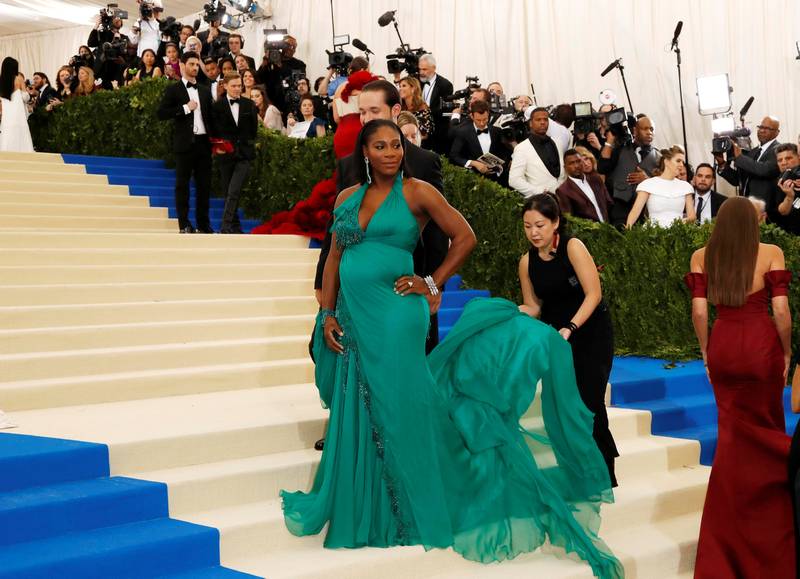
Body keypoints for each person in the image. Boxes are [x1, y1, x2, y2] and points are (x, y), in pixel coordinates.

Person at [282, 118, 622, 579]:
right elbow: (335, 259)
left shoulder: (419, 192)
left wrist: (430, 281)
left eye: (396, 146)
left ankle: (411, 499)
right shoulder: (347, 199)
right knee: (356, 400)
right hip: (354, 313)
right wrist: (326, 313)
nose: (390, 153)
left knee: (401, 400)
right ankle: (364, 498)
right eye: (380, 146)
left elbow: (465, 238)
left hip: (399, 312)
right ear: (364, 152)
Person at [685, 196, 794, 578]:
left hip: (725, 343)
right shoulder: (770, 252)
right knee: (767, 428)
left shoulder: (702, 255)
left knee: (731, 437)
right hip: (760, 343)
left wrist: (706, 351)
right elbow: (780, 310)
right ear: (754, 222)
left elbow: (700, 311)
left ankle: (726, 540)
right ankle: (770, 525)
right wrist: (786, 351)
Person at [519, 192, 618, 484]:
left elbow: (594, 294)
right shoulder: (526, 262)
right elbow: (534, 306)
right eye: (527, 226)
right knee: (561, 405)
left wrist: (571, 327)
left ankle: (603, 472)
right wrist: (510, 316)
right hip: (557, 341)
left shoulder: (573, 247)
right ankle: (576, 470)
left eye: (539, 225)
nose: (534, 232)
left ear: (555, 223)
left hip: (590, 333)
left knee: (588, 401)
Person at [156, 51, 215, 234]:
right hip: (184, 144)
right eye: (191, 64)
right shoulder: (174, 89)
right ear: (182, 65)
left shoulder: (205, 91)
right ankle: (184, 224)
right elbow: (161, 113)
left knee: (204, 186)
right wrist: (184, 108)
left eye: (197, 65)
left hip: (204, 143)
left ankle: (203, 225)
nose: (195, 68)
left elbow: (212, 117)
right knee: (182, 185)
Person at [211, 72, 258, 234]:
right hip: (225, 155)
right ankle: (236, 227)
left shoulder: (249, 105)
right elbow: (214, 130)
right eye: (234, 86)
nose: (238, 89)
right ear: (225, 86)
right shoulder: (217, 106)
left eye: (240, 86)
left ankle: (225, 227)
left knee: (234, 191)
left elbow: (253, 131)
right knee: (227, 192)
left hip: (244, 154)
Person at [598, 114, 660, 226]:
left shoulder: (659, 157)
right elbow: (602, 168)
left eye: (652, 129)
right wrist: (609, 142)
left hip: (648, 213)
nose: (649, 132)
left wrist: (648, 179)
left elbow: (665, 185)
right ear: (635, 131)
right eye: (645, 129)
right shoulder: (619, 150)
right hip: (620, 211)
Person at [715, 116, 781, 211]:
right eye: (760, 127)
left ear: (777, 132)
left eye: (767, 128)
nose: (761, 131)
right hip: (747, 207)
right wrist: (722, 164)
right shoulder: (752, 152)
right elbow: (738, 180)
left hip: (767, 210)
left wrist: (739, 158)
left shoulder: (779, 150)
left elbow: (765, 170)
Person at [626, 145, 695, 228]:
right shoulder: (648, 184)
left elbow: (692, 216)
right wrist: (628, 230)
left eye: (682, 162)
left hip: (677, 234)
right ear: (667, 162)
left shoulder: (686, 187)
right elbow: (635, 211)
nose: (681, 165)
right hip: (652, 234)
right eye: (678, 161)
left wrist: (677, 224)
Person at [448, 99, 510, 186]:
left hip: (496, 181)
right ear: (472, 116)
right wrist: (474, 163)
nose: (481, 123)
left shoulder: (496, 131)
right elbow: (454, 156)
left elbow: (505, 153)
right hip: (472, 180)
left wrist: (499, 167)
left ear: (488, 114)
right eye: (478, 120)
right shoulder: (462, 132)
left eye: (485, 119)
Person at [509, 107, 566, 197]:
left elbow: (562, 173)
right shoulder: (522, 148)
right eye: (538, 120)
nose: (542, 122)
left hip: (563, 199)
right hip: (540, 202)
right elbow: (514, 180)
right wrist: (539, 192)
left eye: (545, 119)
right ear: (530, 123)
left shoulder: (558, 143)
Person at [556, 149, 612, 222]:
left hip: (608, 227)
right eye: (571, 163)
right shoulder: (563, 190)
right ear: (565, 167)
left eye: (578, 161)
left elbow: (609, 202)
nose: (576, 166)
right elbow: (569, 220)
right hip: (586, 232)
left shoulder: (596, 179)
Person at [416, 53, 453, 154]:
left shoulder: (446, 85)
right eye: (420, 69)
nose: (421, 72)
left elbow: (444, 111)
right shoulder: (417, 82)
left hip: (438, 134)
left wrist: (426, 113)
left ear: (433, 68)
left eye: (424, 69)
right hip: (419, 133)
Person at [0, 57, 34, 152]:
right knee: (20, 133)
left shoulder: (1, 81)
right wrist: (28, 92)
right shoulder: (18, 78)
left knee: (7, 134)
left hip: (7, 115)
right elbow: (25, 97)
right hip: (18, 114)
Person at [398, 76, 434, 143]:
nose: (400, 88)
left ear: (413, 88)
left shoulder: (422, 107)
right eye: (400, 86)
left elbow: (425, 134)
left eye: (404, 86)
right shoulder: (400, 107)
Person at [773, 143, 800, 233]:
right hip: (791, 235)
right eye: (780, 160)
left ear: (799, 157)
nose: (783, 163)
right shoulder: (779, 182)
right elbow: (783, 211)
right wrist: (789, 196)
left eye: (788, 158)